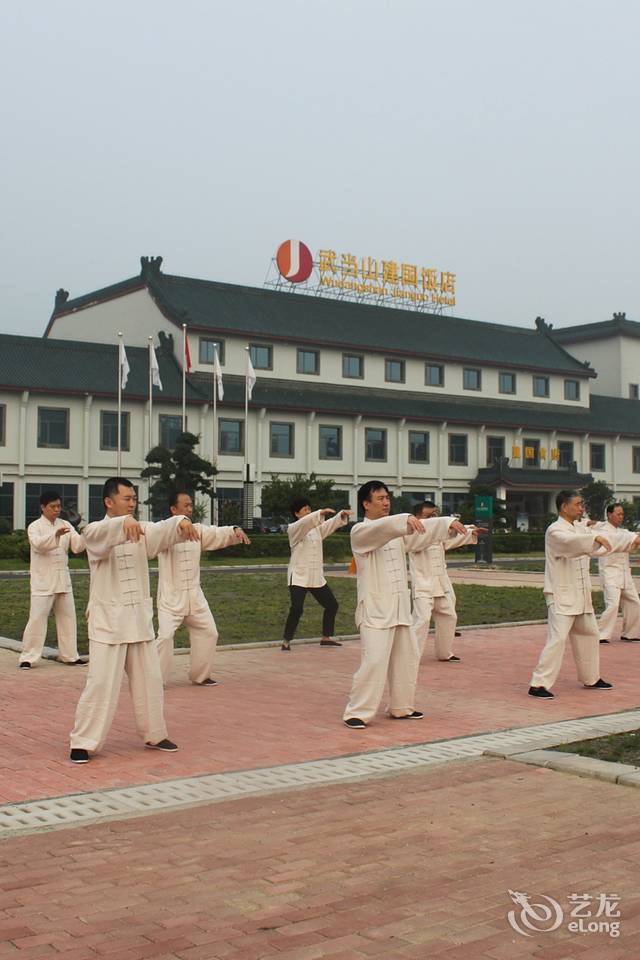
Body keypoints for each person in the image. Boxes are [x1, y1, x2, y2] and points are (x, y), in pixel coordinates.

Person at [69, 477, 199, 763]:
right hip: (108, 623)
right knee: (100, 683)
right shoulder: (95, 531)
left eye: (134, 499)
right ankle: (83, 742)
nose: (132, 503)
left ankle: (155, 734)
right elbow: (96, 535)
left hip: (139, 620)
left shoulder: (141, 530)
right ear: (108, 502)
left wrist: (180, 522)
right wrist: (121, 524)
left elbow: (162, 529)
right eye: (126, 499)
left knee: (150, 681)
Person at [343, 481, 467, 728]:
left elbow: (421, 533)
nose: (386, 502)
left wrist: (445, 523)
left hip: (399, 608)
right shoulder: (360, 532)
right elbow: (384, 530)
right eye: (380, 498)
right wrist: (406, 519)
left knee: (405, 660)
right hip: (376, 610)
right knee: (374, 661)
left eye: (387, 498)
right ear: (366, 504)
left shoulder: (397, 534)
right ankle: (357, 712)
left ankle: (401, 707)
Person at [528, 490, 640, 699]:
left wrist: (633, 539)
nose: (582, 508)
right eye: (578, 504)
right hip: (561, 596)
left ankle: (591, 678)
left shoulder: (580, 528)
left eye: (582, 504)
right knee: (557, 640)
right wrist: (595, 537)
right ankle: (538, 684)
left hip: (581, 596)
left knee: (590, 635)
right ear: (564, 507)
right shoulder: (555, 531)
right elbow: (573, 543)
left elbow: (608, 538)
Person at [156, 491, 251, 684]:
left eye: (191, 505)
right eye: (185, 506)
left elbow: (216, 533)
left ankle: (200, 676)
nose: (190, 509)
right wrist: (179, 523)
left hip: (195, 597)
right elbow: (157, 531)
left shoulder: (198, 531)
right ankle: (156, 680)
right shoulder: (163, 533)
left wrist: (234, 530)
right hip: (170, 598)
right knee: (164, 637)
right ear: (173, 509)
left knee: (209, 632)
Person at [406, 500, 481, 662]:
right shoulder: (412, 537)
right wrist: (440, 528)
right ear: (417, 518)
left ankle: (444, 652)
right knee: (421, 620)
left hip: (441, 583)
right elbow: (425, 539)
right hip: (423, 584)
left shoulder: (439, 535)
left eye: (434, 515)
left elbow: (452, 538)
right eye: (428, 516)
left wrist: (471, 533)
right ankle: (410, 656)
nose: (433, 519)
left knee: (449, 616)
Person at [19, 490, 86, 669]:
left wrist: (84, 532)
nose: (56, 509)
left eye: (58, 506)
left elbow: (77, 546)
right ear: (43, 507)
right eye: (52, 506)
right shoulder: (34, 527)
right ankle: (28, 657)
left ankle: (70, 655)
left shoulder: (66, 524)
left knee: (68, 618)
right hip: (43, 580)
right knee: (37, 619)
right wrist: (56, 535)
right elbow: (38, 545)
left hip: (62, 579)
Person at [281, 497, 351, 651]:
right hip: (298, 576)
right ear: (296, 514)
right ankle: (286, 640)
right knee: (297, 608)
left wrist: (340, 515)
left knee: (332, 605)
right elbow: (305, 523)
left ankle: (326, 637)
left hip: (315, 577)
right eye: (305, 509)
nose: (308, 512)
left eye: (309, 509)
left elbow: (329, 524)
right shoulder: (293, 529)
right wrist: (320, 512)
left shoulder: (317, 530)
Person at [596, 503, 640, 643]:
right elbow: (628, 540)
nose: (621, 517)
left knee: (635, 602)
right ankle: (600, 634)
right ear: (609, 514)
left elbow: (633, 540)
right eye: (618, 514)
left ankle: (630, 633)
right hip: (610, 573)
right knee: (613, 605)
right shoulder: (602, 531)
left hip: (625, 573)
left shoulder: (623, 532)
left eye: (622, 514)